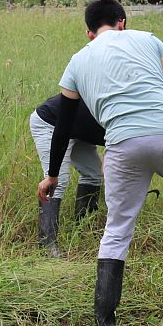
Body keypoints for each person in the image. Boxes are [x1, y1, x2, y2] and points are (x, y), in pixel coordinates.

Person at [36, 0, 163, 326]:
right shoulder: (148, 40)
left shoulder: (77, 61)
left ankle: (105, 322)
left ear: (89, 33)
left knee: (117, 228)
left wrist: (52, 175)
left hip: (122, 144)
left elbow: (62, 126)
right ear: (123, 21)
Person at [30, 93, 105, 257]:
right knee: (58, 181)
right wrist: (52, 175)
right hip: (51, 123)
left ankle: (84, 232)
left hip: (80, 129)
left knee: (94, 174)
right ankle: (47, 246)